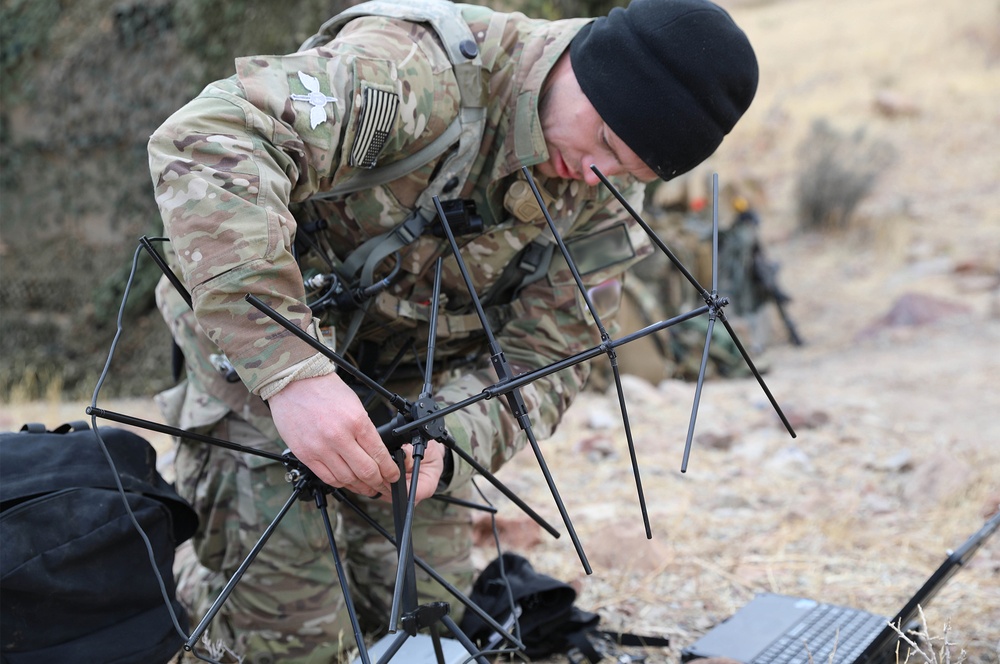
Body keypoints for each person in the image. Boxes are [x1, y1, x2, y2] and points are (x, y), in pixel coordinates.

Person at [147, 0, 758, 660]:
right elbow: (207, 142)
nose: (594, 177)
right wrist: (292, 372)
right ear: (585, 68)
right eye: (606, 143)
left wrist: (452, 436)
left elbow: (552, 353)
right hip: (263, 349)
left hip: (417, 388)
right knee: (297, 637)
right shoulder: (414, 75)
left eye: (628, 171)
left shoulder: (600, 189)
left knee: (423, 628)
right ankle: (190, 594)